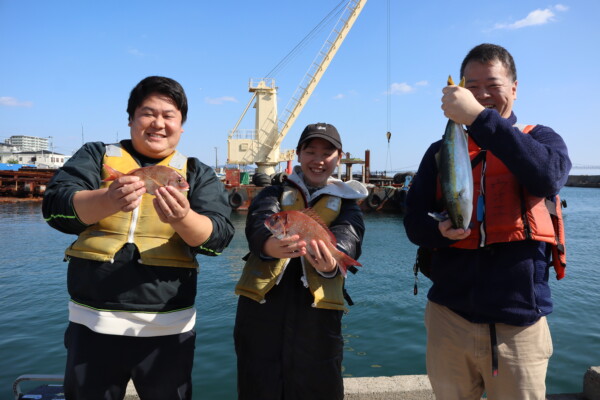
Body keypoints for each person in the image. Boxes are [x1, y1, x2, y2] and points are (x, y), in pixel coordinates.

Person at [42, 76, 235, 400]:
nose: (158, 123)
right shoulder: (96, 154)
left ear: (181, 125)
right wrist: (106, 200)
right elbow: (55, 207)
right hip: (92, 325)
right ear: (131, 118)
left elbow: (219, 237)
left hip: (169, 329)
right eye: (148, 113)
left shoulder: (194, 171)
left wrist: (183, 218)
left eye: (169, 115)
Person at [403, 43, 571, 400]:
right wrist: (438, 230)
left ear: (514, 87)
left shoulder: (540, 138)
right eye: (472, 86)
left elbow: (547, 178)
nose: (481, 95)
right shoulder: (439, 151)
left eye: (492, 84)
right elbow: (414, 224)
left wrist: (480, 119)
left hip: (519, 326)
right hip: (449, 318)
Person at [233, 122, 368, 399]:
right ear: (298, 154)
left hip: (317, 316)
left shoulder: (348, 203)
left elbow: (349, 236)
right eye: (311, 151)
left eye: (326, 153)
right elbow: (259, 221)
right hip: (261, 310)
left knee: (319, 386)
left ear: (339, 158)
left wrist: (332, 262)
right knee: (257, 384)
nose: (318, 160)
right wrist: (268, 244)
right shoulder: (273, 192)